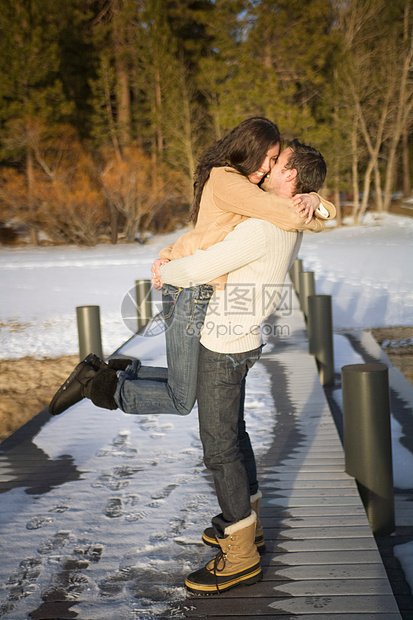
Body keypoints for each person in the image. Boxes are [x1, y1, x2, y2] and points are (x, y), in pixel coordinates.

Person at [49, 119, 334, 418]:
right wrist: (315, 210)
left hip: (196, 284)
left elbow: (209, 233)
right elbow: (287, 213)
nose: (268, 166)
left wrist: (315, 198)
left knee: (189, 387)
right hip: (189, 288)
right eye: (268, 157)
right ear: (250, 149)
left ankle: (111, 371)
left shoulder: (245, 182)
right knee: (182, 399)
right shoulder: (228, 180)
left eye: (275, 160)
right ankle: (95, 385)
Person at [157, 139, 329, 594]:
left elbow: (205, 266)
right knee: (234, 437)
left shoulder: (265, 228)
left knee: (219, 449)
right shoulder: (286, 219)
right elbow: (312, 211)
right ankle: (245, 527)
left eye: (278, 162)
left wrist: (163, 271)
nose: (269, 167)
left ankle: (239, 554)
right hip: (243, 340)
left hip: (223, 342)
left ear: (289, 178)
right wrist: (317, 202)